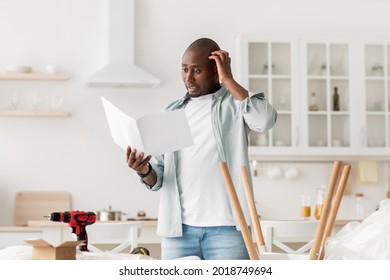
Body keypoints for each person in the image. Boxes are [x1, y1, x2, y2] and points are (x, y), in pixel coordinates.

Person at [126, 38, 277, 260]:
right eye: (185, 69)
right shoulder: (171, 111)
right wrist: (144, 170)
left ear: (216, 70)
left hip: (228, 230)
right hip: (178, 232)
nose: (188, 77)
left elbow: (264, 120)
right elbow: (158, 177)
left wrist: (228, 80)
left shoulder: (234, 104)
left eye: (196, 70)